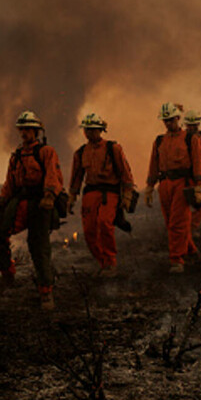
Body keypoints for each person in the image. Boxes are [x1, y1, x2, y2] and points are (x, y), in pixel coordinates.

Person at [0, 110, 65, 310]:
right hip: (20, 202)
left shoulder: (46, 152)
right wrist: (2, 201)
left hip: (40, 203)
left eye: (28, 129)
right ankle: (7, 275)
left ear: (36, 131)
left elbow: (53, 175)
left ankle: (46, 291)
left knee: (38, 246)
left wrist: (49, 196)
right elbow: (10, 182)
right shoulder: (16, 155)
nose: (24, 133)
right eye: (22, 129)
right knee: (1, 234)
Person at [66, 113, 135, 277]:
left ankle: (110, 262)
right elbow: (76, 176)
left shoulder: (113, 148)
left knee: (104, 223)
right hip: (90, 193)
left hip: (109, 192)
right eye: (87, 130)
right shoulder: (81, 152)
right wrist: (72, 197)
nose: (89, 133)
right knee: (89, 230)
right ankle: (103, 262)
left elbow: (125, 172)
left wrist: (127, 194)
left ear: (100, 130)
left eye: (93, 129)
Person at [145, 103, 201, 274]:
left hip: (183, 183)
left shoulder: (190, 139)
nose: (168, 123)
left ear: (178, 118)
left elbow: (197, 163)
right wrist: (149, 187)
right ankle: (191, 250)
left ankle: (177, 260)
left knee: (177, 223)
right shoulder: (159, 141)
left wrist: (199, 187)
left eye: (171, 120)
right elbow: (153, 164)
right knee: (170, 222)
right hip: (165, 184)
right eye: (165, 120)